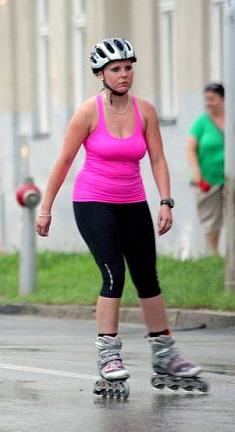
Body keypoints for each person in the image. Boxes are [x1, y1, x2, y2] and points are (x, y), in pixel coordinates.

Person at [36, 38, 207, 398]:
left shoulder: (144, 110)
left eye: (128, 67)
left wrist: (166, 201)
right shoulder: (87, 112)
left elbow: (158, 159)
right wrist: (46, 207)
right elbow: (64, 161)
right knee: (114, 272)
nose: (124, 74)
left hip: (133, 201)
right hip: (93, 201)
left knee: (147, 275)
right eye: (116, 69)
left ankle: (165, 356)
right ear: (101, 74)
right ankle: (109, 356)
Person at [186, 83, 225, 256]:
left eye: (212, 99)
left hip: (230, 178)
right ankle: (214, 254)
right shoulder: (201, 123)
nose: (209, 103)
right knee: (211, 220)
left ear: (223, 99)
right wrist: (196, 171)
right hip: (208, 180)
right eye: (206, 100)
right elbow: (190, 148)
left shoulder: (230, 119)